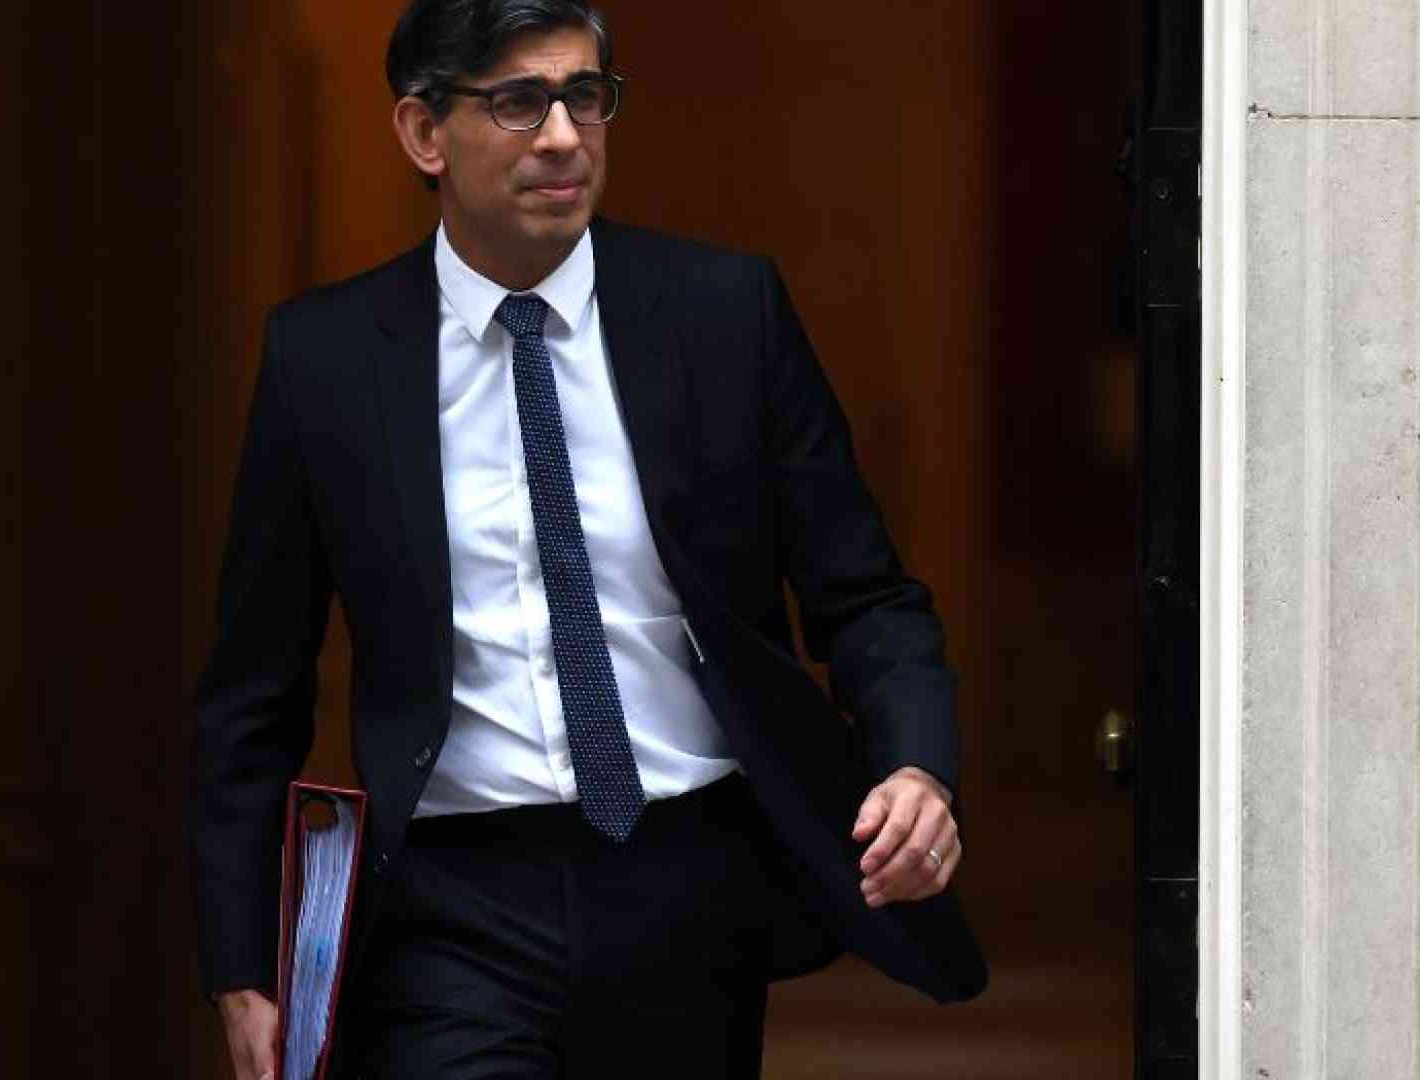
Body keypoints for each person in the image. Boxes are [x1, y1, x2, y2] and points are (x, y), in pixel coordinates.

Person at [190, 1, 985, 1076]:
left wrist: (916, 766)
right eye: (520, 102)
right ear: (424, 133)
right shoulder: (325, 360)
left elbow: (866, 593)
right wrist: (244, 961)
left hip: (687, 881)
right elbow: (254, 688)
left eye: (585, 96)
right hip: (451, 901)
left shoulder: (723, 314)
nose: (564, 136)